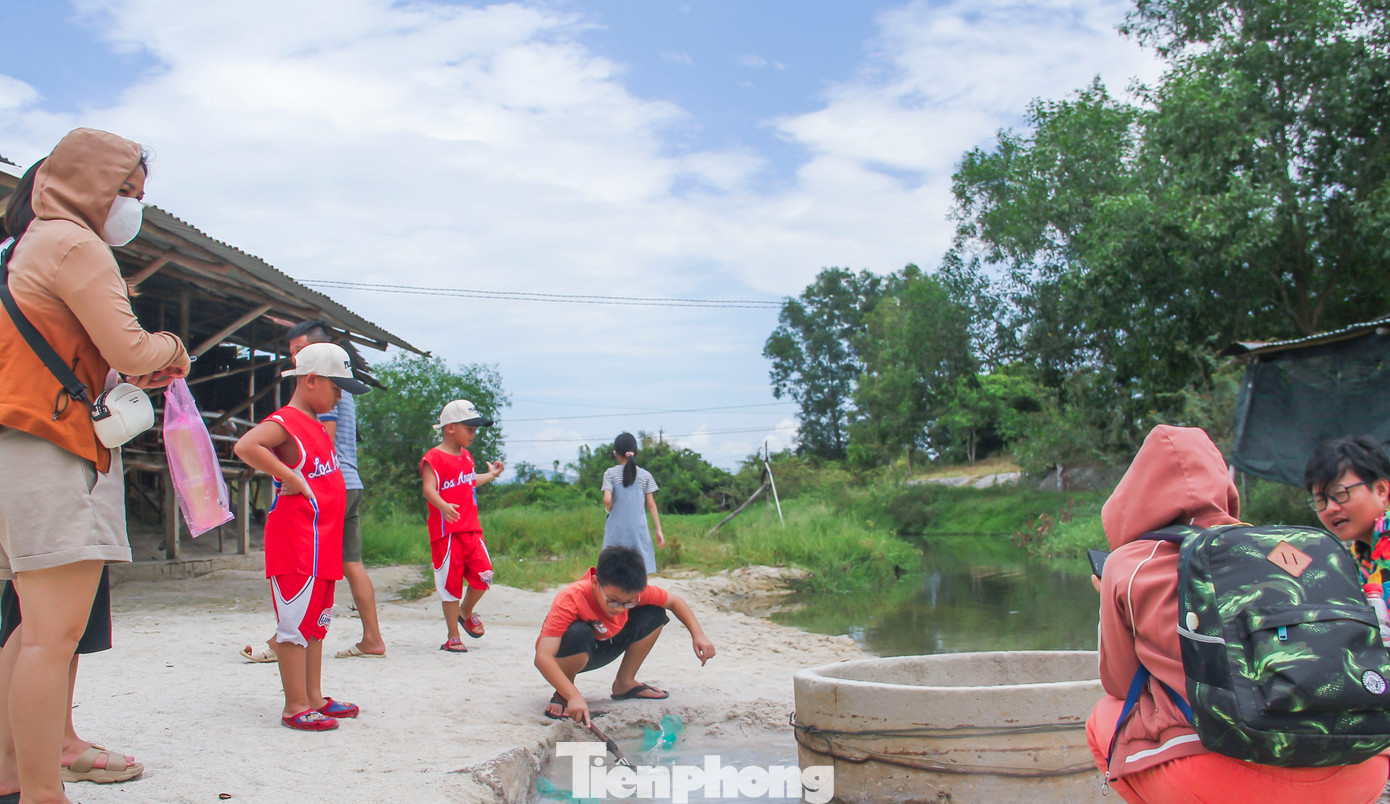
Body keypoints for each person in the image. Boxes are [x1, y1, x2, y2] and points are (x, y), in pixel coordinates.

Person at [0, 128, 189, 804]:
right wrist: (173, 347)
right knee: (52, 639)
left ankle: (11, 777)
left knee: (27, 630)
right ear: (89, 184)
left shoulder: (22, 247)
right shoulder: (74, 243)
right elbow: (134, 350)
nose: (131, 206)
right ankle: (42, 793)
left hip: (15, 442)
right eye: (124, 191)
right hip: (55, 448)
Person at [1086, 425, 1388, 804]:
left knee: (1107, 713)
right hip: (1362, 765)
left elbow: (1120, 682)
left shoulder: (1128, 563)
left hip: (1224, 782)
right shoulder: (1277, 549)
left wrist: (1112, 599)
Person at [233, 342, 368, 731]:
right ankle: (295, 706)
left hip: (323, 544)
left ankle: (314, 697)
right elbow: (246, 445)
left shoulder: (317, 424)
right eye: (336, 387)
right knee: (294, 626)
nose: (340, 396)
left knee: (316, 624)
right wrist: (288, 475)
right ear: (311, 380)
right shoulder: (287, 420)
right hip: (297, 544)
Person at [239, 320, 384, 662]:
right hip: (344, 485)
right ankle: (369, 637)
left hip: (328, 488)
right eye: (292, 353)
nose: (294, 359)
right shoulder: (318, 400)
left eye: (300, 352)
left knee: (320, 569)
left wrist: (294, 476)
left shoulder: (326, 398)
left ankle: (288, 640)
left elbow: (319, 446)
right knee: (346, 565)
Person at [534, 545, 716, 726]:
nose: (620, 608)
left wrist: (698, 635)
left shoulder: (632, 592)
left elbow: (675, 601)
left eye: (628, 602)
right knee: (578, 633)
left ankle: (625, 682)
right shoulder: (571, 598)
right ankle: (563, 693)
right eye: (613, 601)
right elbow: (543, 657)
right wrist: (573, 695)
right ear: (595, 583)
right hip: (569, 655)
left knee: (654, 613)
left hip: (606, 643)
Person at [420, 399, 504, 652]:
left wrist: (491, 475)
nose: (474, 433)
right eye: (469, 428)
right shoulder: (433, 457)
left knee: (485, 575)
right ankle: (453, 636)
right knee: (450, 585)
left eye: (475, 429)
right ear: (449, 428)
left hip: (472, 529)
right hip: (447, 533)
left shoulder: (467, 456)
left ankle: (465, 611)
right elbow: (428, 488)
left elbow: (468, 481)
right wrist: (443, 506)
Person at [1304, 435, 1390, 585]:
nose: (1330, 509)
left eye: (1340, 494)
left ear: (1380, 489)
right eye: (1320, 501)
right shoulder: (1360, 554)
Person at [602, 433, 664, 575]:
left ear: (616, 453)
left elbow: (607, 500)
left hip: (616, 528)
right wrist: (658, 529)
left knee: (612, 563)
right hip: (638, 528)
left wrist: (609, 509)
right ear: (635, 452)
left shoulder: (610, 474)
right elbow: (651, 504)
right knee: (638, 564)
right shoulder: (645, 475)